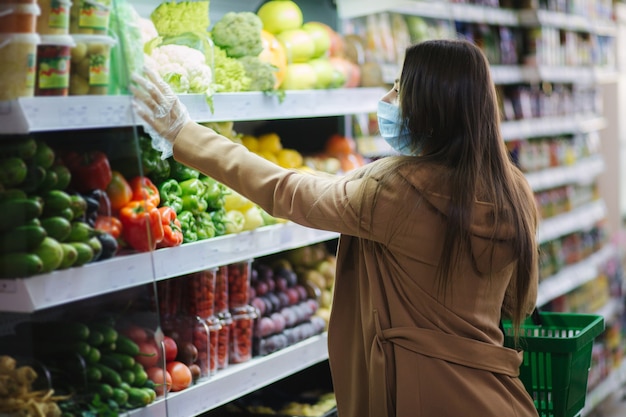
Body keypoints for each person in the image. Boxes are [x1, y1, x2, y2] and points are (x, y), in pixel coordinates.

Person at [131, 38, 540, 417]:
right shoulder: (515, 191)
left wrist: (183, 133)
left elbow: (287, 191)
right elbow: (519, 303)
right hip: (498, 396)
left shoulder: (396, 190)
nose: (388, 100)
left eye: (400, 89)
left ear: (431, 106)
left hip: (419, 397)